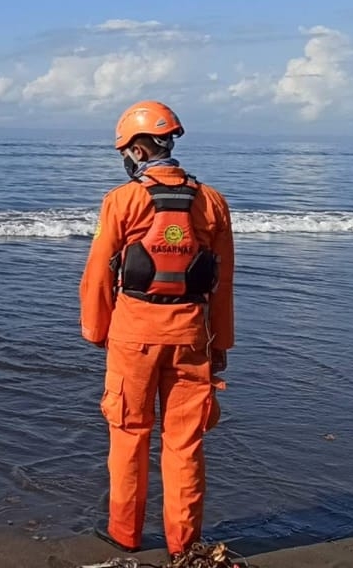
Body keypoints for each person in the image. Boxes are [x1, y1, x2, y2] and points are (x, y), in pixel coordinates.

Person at [78, 100, 235, 558]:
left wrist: (96, 331)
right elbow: (222, 281)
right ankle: (182, 544)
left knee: (129, 434)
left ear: (139, 149)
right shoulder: (211, 202)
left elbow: (97, 276)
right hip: (193, 337)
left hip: (133, 337)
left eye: (125, 150)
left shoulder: (122, 200)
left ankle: (125, 535)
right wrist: (220, 343)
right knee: (185, 443)